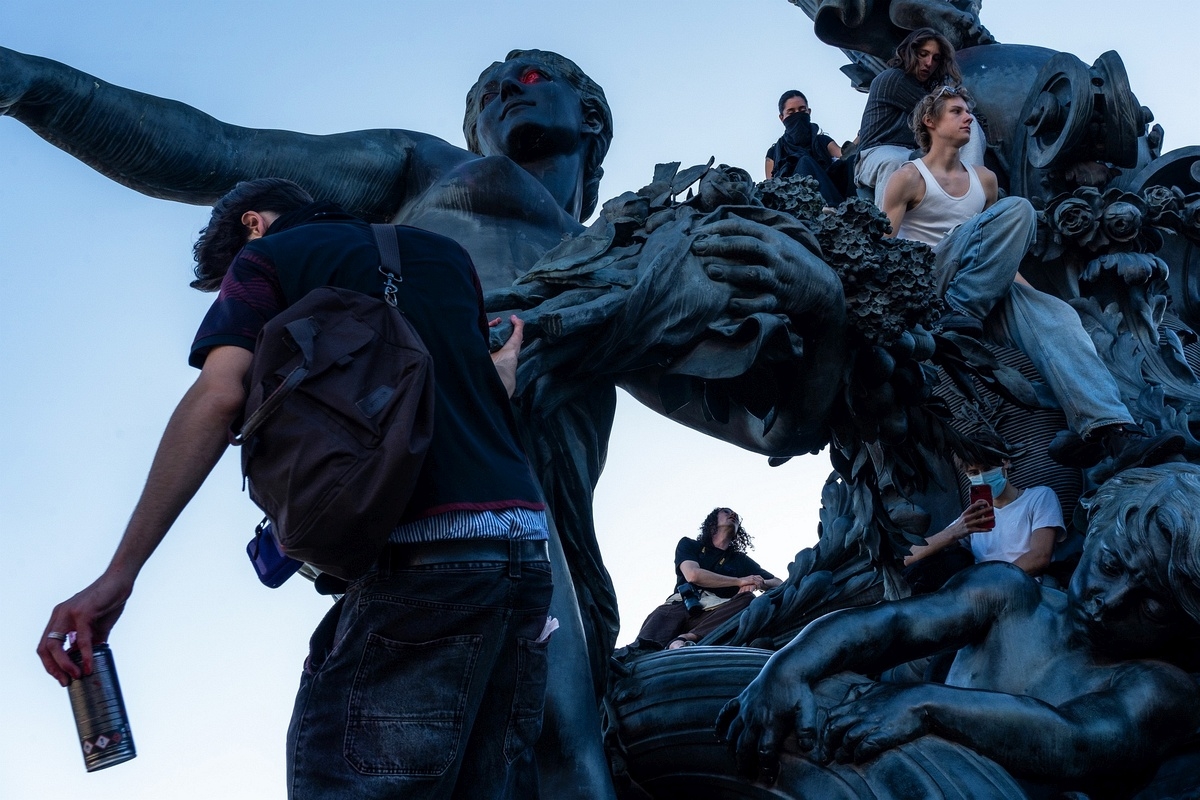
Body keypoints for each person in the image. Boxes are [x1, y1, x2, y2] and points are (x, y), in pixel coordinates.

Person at [4, 46, 848, 797]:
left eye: (525, 77)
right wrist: (30, 84)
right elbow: (217, 150)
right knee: (534, 752)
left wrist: (825, 306)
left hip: (489, 531)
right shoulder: (431, 180)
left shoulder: (632, 268)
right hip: (477, 527)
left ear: (590, 116)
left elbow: (775, 430)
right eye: (485, 93)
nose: (500, 94)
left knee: (540, 751)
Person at [37, 178, 551, 799]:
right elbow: (465, 400)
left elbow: (219, 395)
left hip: (416, 559)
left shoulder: (266, 258)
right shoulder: (446, 257)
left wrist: (120, 573)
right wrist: (502, 371)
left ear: (253, 223)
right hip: (520, 557)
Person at [717, 463, 1200, 797]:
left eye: (1153, 606)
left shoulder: (1161, 688)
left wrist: (926, 705)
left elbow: (1077, 741)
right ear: (1094, 532)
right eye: (1111, 564)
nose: (1111, 601)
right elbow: (894, 623)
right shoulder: (1006, 592)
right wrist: (788, 665)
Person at [881, 85, 1178, 468]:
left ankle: (1109, 430)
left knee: (1059, 317)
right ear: (930, 121)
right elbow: (882, 249)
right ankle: (959, 313)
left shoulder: (983, 180)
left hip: (975, 295)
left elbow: (997, 251)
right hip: (930, 283)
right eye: (956, 112)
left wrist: (1033, 297)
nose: (968, 117)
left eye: (968, 111)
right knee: (1017, 209)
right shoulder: (908, 177)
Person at [902, 431, 1066, 594]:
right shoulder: (974, 516)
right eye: (973, 473)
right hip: (982, 599)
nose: (981, 477)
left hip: (1026, 590)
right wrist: (954, 532)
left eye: (987, 469)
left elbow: (1040, 556)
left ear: (1005, 462)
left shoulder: (1039, 497)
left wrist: (986, 585)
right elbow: (909, 557)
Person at [853, 27, 983, 207]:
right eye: (924, 54)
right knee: (897, 162)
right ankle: (884, 228)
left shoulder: (930, 92)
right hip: (876, 153)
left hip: (914, 153)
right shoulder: (892, 79)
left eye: (936, 58)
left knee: (968, 122)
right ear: (910, 52)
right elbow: (941, 112)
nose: (929, 63)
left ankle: (969, 186)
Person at [631, 508, 782, 650]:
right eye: (726, 512)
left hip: (715, 614)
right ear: (712, 523)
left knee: (747, 599)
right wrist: (740, 581)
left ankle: (685, 639)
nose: (733, 514)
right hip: (680, 604)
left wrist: (759, 582)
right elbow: (693, 575)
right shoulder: (690, 545)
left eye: (735, 515)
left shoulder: (740, 560)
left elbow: (778, 583)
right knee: (641, 648)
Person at [765, 90, 844, 204]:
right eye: (791, 113)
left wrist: (862, 136)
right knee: (804, 161)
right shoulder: (774, 153)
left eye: (802, 110)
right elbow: (771, 187)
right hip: (794, 203)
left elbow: (845, 154)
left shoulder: (822, 141)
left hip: (831, 194)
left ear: (809, 112)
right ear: (782, 117)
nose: (798, 115)